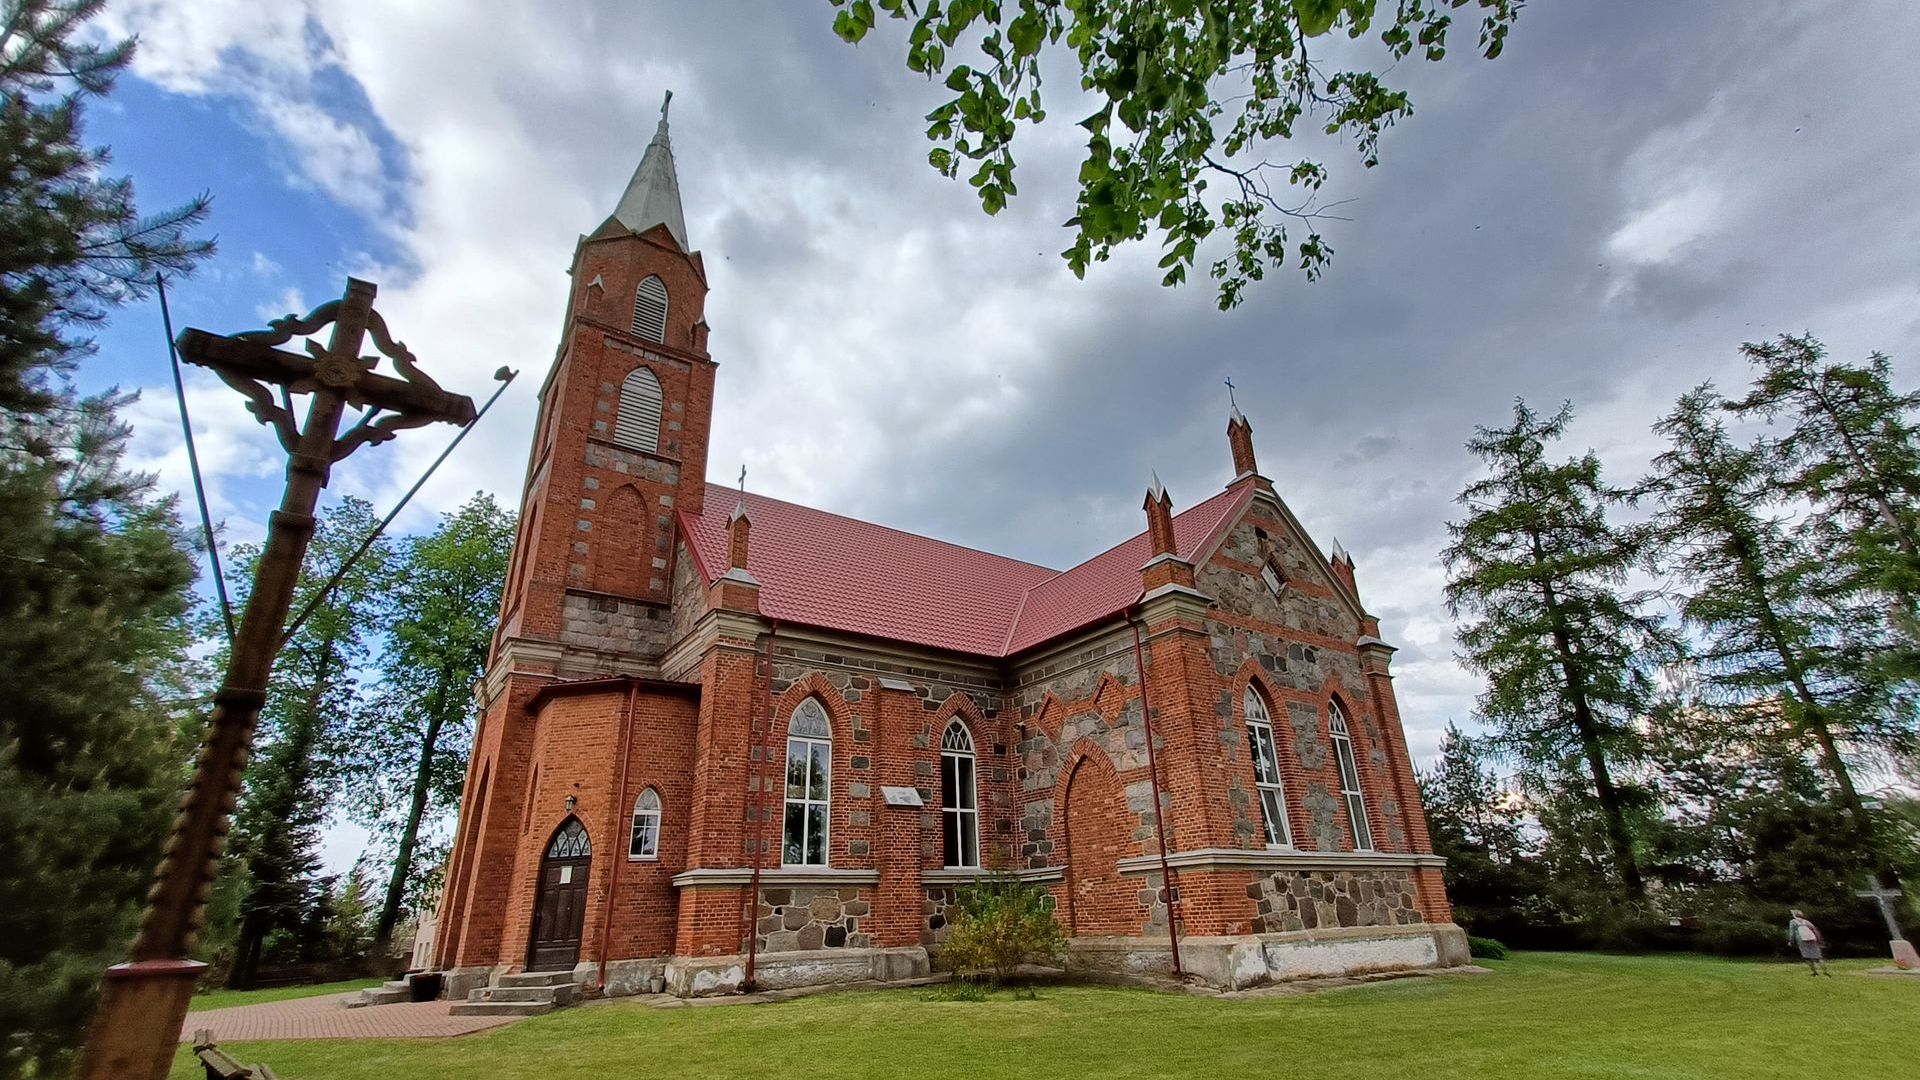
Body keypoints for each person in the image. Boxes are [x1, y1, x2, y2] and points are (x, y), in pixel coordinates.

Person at [1787, 909, 1832, 977]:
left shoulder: (1793, 922)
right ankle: (1825, 972)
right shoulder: (1806, 922)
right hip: (1812, 940)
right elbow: (1815, 930)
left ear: (1794, 915)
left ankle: (1815, 972)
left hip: (1802, 940)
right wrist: (1818, 940)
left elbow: (1792, 933)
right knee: (1818, 957)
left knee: (1807, 957)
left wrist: (1791, 941)